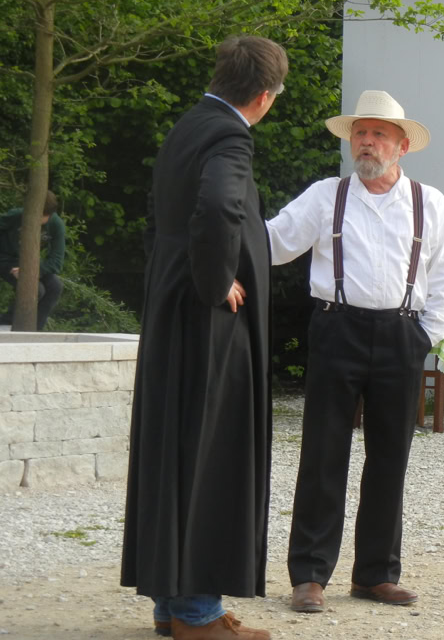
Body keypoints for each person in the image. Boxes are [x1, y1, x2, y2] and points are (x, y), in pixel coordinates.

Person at [267, 89, 444, 613]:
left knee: (390, 458)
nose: (367, 142)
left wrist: (425, 336)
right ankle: (310, 575)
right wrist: (221, 243)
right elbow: (274, 242)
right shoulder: (325, 196)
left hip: (401, 334)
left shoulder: (428, 202)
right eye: (360, 133)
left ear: (402, 145)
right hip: (337, 329)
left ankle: (376, 574)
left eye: (378, 134)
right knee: (323, 453)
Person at [120, 35, 286, 640]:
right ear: (264, 96)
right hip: (206, 319)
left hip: (174, 308)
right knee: (209, 450)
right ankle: (197, 615)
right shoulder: (230, 135)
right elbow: (218, 207)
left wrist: (173, 274)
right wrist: (214, 282)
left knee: (176, 445)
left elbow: (158, 213)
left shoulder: (187, 125)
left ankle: (173, 607)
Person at [0, 190, 65, 330]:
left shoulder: (56, 224)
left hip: (29, 263)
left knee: (55, 287)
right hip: (5, 259)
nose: (38, 220)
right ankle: (5, 323)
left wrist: (32, 271)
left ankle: (35, 330)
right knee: (36, 289)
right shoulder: (16, 216)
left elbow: (56, 260)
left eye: (43, 217)